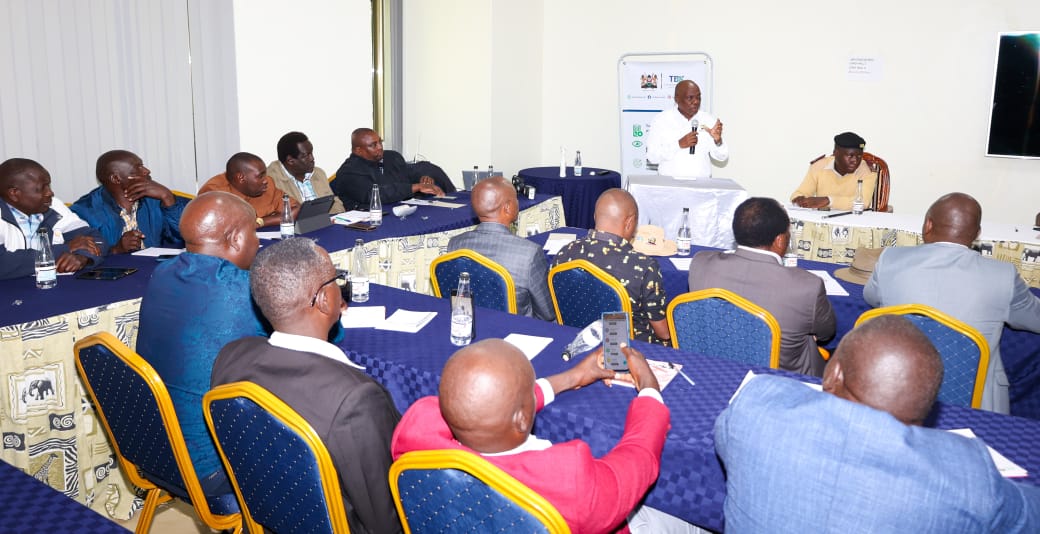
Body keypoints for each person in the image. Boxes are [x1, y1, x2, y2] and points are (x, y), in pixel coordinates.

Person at [715, 315, 1040, 532]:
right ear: (928, 407)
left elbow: (725, 438)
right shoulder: (969, 474)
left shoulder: (756, 405)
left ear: (834, 372)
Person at [392, 339, 699, 533]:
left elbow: (471, 406)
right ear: (522, 418)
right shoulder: (568, 479)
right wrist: (648, 387)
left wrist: (572, 377)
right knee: (696, 520)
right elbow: (637, 460)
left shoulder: (413, 439)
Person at [213, 237, 402, 534]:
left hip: (265, 517)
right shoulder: (356, 399)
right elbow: (386, 520)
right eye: (337, 280)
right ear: (324, 300)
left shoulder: (231, 357)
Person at [137, 191, 266, 493]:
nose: (258, 242)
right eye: (254, 232)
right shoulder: (246, 290)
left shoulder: (162, 273)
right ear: (236, 238)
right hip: (210, 465)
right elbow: (323, 336)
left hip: (152, 450)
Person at [864, 192, 1040, 414]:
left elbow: (871, 297)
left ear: (928, 224)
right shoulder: (1002, 275)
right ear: (977, 234)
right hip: (977, 404)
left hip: (896, 392)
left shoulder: (890, 259)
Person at [688, 197, 836, 376]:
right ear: (780, 240)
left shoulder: (700, 263)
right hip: (782, 380)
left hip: (713, 370)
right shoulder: (807, 286)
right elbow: (826, 333)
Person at [553, 189, 671, 345]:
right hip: (629, 349)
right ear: (630, 222)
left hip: (576, 341)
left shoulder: (564, 254)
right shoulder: (644, 267)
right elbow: (664, 333)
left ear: (595, 216)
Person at [446, 176, 554, 321]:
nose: (518, 202)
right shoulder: (529, 253)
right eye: (516, 198)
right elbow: (547, 313)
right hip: (515, 327)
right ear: (507, 207)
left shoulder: (455, 244)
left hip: (470, 321)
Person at [0, 158, 103, 279]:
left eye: (48, 185)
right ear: (14, 193)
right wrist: (66, 248)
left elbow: (95, 239)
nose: (50, 193)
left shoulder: (53, 205)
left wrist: (82, 257)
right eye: (42, 188)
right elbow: (3, 263)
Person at [71, 150, 187, 254]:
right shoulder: (84, 211)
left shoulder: (156, 198)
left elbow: (185, 237)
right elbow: (81, 256)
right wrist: (115, 250)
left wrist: (168, 198)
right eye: (138, 168)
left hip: (155, 267)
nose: (147, 171)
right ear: (116, 179)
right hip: (115, 270)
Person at [330, 128, 447, 210]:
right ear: (358, 150)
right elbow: (376, 194)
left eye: (380, 142)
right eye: (373, 145)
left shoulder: (391, 157)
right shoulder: (348, 172)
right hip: (369, 221)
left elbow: (409, 173)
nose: (380, 147)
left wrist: (423, 178)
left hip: (401, 211)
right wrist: (415, 187)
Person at [645, 80, 728, 178]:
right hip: (670, 184)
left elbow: (722, 157)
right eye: (690, 98)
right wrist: (679, 144)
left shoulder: (708, 120)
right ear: (677, 99)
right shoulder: (661, 120)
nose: (696, 101)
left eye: (698, 97)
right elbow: (652, 157)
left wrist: (718, 141)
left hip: (701, 184)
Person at [198, 152, 299, 227]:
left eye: (265, 174)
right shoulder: (214, 194)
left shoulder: (267, 185)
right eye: (260, 176)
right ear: (241, 178)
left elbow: (295, 209)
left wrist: (260, 222)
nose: (265, 180)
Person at [791, 132, 878, 210]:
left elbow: (864, 202)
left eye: (859, 156)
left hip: (852, 219)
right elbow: (800, 192)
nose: (855, 160)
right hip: (822, 219)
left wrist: (829, 201)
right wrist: (799, 199)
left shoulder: (867, 171)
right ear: (836, 153)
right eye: (850, 156)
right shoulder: (819, 166)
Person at [266, 131, 345, 214]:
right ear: (290, 161)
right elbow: (276, 215)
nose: (312, 158)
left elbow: (336, 204)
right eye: (305, 156)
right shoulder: (271, 181)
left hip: (325, 220)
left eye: (311, 153)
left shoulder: (319, 173)